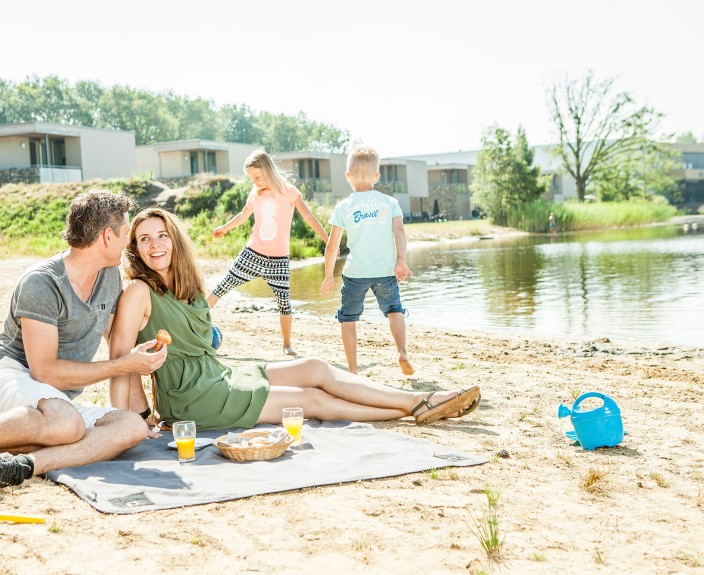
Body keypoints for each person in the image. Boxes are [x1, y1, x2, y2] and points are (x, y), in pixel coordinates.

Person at [108, 207, 481, 430]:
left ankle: (415, 401)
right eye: (144, 239)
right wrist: (139, 419)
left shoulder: (188, 283)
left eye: (161, 235)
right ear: (136, 249)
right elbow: (120, 362)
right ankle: (415, 406)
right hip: (191, 398)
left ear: (174, 239)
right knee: (310, 400)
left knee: (316, 367)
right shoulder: (139, 291)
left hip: (217, 374)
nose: (155, 245)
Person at [0, 191, 167, 488]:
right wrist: (123, 364)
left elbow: (118, 342)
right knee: (67, 424)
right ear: (106, 236)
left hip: (54, 401)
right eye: (126, 233)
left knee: (131, 427)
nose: (128, 241)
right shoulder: (42, 283)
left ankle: (24, 464)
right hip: (13, 375)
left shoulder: (109, 276)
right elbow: (45, 372)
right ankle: (41, 437)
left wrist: (141, 358)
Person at [207, 150, 329, 356]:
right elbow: (242, 216)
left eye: (257, 176)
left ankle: (287, 344)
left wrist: (328, 240)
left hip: (279, 260)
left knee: (284, 303)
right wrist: (225, 228)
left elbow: (308, 216)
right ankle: (192, 320)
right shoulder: (255, 194)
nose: (254, 182)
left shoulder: (289, 192)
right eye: (251, 179)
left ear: (268, 169)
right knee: (222, 286)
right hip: (253, 253)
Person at [321, 146, 414, 375]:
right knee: (394, 310)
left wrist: (328, 276)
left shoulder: (344, 206)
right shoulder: (389, 202)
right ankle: (402, 352)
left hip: (355, 274)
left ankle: (353, 369)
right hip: (385, 271)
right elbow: (399, 232)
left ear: (348, 176)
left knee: (348, 318)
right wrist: (401, 260)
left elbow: (332, 246)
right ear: (376, 176)